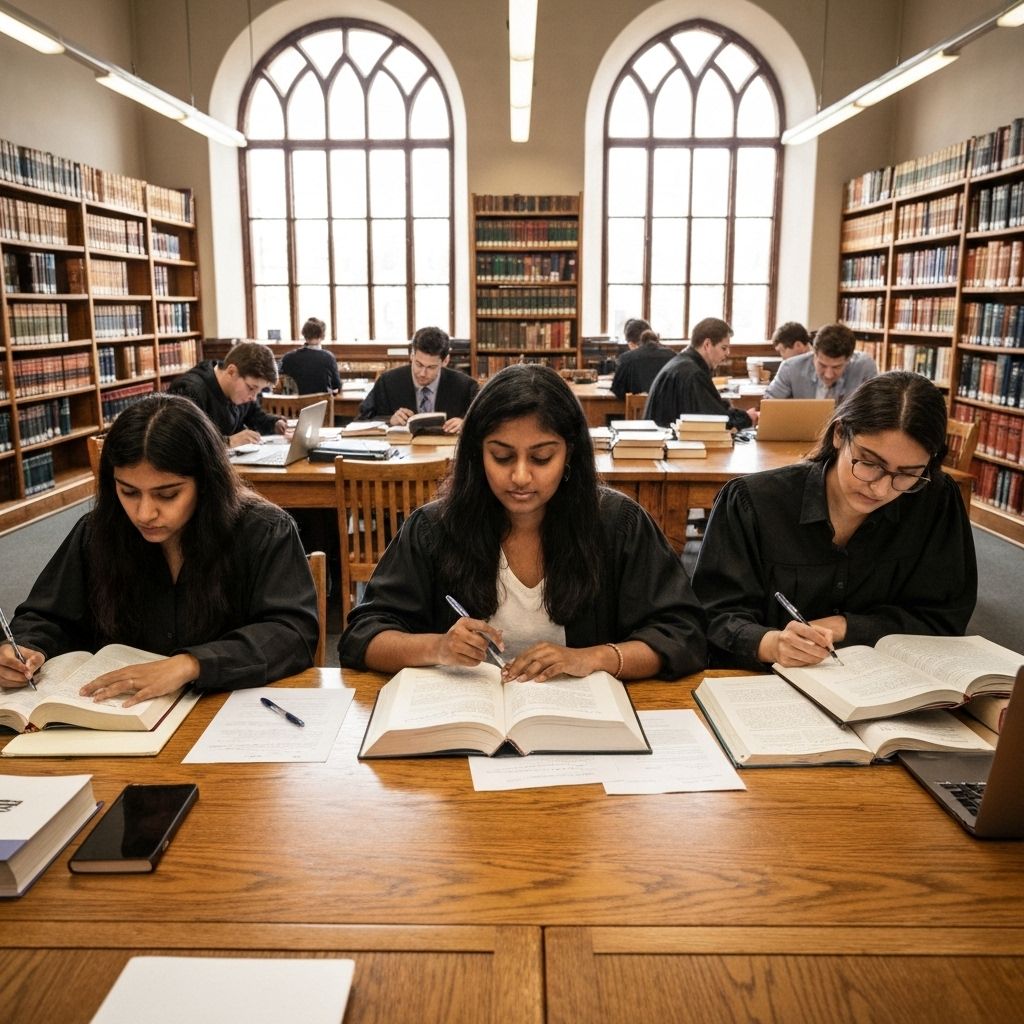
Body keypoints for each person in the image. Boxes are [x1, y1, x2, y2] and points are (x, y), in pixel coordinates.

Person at [341, 364, 706, 681]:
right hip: (466, 723)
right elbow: (363, 637)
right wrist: (438, 647)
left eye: (541, 458)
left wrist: (593, 658)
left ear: (569, 453)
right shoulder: (434, 528)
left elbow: (683, 635)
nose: (520, 477)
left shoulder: (618, 524)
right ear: (477, 453)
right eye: (501, 457)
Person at [0, 393, 319, 702]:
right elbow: (47, 615)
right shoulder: (97, 532)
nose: (144, 514)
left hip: (224, 708)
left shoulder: (263, 530)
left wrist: (191, 664)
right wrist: (27, 646)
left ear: (206, 483)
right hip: (116, 714)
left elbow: (292, 633)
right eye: (128, 492)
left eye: (167, 495)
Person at [691, 371, 977, 671]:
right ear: (840, 434)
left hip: (890, 681)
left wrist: (843, 626)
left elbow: (945, 617)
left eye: (907, 474)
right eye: (869, 463)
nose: (880, 489)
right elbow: (714, 616)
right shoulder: (753, 502)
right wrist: (771, 643)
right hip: (766, 682)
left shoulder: (935, 499)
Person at [356, 326, 479, 433]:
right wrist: (389, 421)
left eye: (431, 367)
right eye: (418, 364)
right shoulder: (387, 382)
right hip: (400, 452)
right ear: (412, 355)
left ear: (445, 361)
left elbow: (484, 423)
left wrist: (465, 425)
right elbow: (361, 421)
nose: (422, 373)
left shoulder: (466, 386)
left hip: (447, 452)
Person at [643, 317, 757, 430]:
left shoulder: (684, 363)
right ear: (707, 345)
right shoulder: (693, 373)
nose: (727, 353)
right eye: (724, 348)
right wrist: (747, 418)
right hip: (668, 439)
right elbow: (715, 421)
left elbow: (709, 406)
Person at [168, 341, 287, 448]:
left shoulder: (241, 391)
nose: (253, 397)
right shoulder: (189, 390)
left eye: (259, 391)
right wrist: (228, 442)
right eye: (251, 388)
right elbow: (183, 442)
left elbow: (255, 417)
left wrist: (275, 424)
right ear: (231, 372)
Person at [764, 322, 877, 403]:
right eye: (822, 365)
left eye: (836, 367)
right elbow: (769, 405)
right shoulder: (790, 368)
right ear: (814, 354)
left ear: (848, 359)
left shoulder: (864, 367)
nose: (828, 375)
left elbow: (875, 410)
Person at [609, 319, 675, 399]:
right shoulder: (673, 356)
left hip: (635, 407)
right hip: (667, 406)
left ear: (631, 344)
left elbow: (618, 392)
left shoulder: (626, 359)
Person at [280, 317, 341, 394]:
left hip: (297, 401)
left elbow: (279, 378)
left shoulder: (288, 357)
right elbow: (336, 386)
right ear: (322, 336)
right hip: (321, 401)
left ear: (304, 335)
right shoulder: (328, 357)